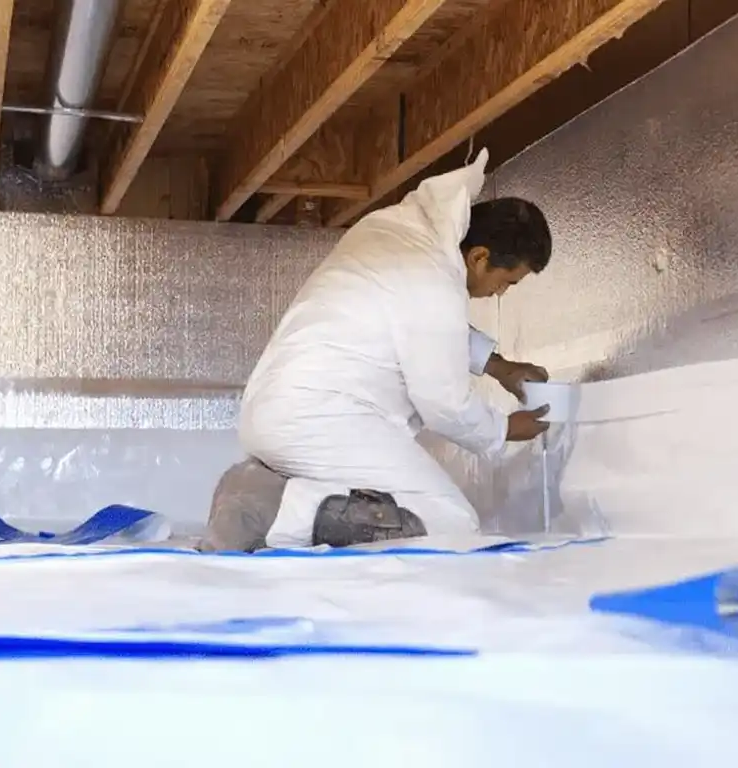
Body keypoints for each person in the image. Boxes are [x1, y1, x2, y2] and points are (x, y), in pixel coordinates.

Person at [201, 149, 552, 551]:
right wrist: (505, 429)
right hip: (319, 419)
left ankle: (258, 488)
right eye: (507, 282)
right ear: (479, 257)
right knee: (448, 525)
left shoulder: (398, 233)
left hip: (280, 412)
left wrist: (499, 366)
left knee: (387, 507)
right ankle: (269, 511)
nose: (499, 293)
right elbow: (444, 402)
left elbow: (424, 323)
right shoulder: (430, 276)